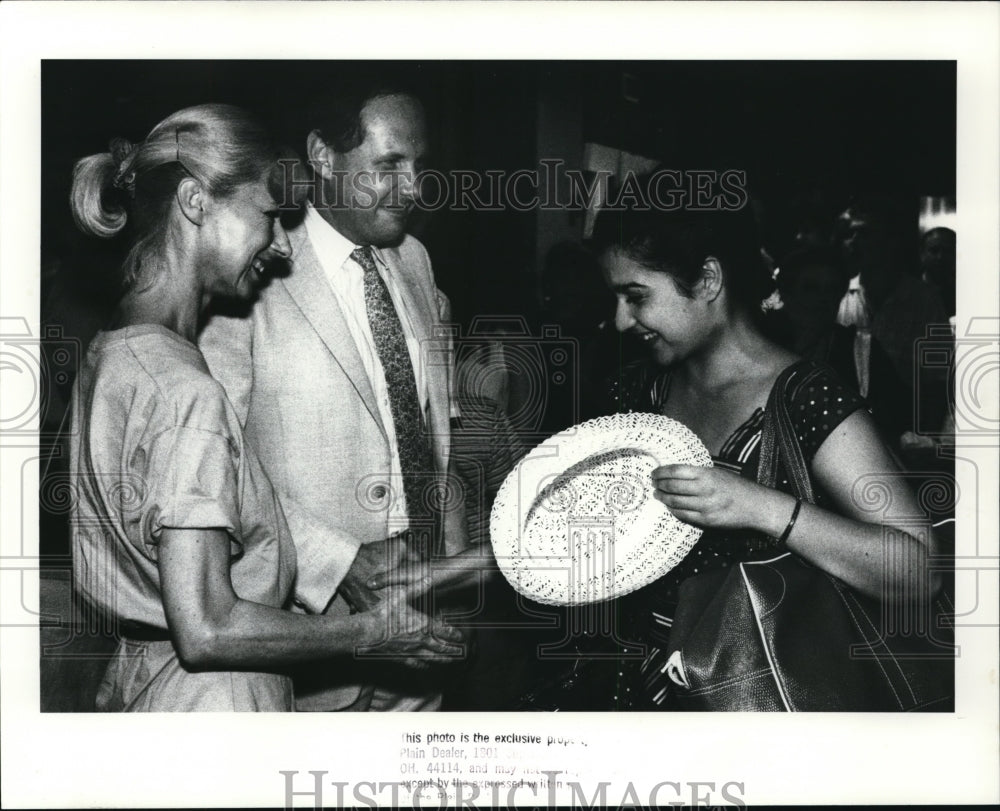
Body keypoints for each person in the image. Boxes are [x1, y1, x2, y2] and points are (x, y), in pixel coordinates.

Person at [67, 103, 463, 712]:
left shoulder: (112, 355)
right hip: (224, 697)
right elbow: (208, 627)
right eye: (267, 216)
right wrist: (371, 631)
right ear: (197, 203)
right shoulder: (187, 387)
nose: (281, 243)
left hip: (165, 686)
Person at [592, 182, 941, 709]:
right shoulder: (638, 390)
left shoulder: (805, 400)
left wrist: (756, 505)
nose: (620, 320)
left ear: (708, 279)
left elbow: (918, 571)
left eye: (636, 297)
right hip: (634, 694)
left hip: (755, 704)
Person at [199, 81, 470, 712]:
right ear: (322, 157)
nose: (412, 189)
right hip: (310, 642)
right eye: (388, 166)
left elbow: (438, 441)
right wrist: (337, 562)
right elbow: (220, 462)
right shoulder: (251, 269)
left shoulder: (417, 261)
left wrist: (453, 577)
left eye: (419, 166)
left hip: (420, 632)